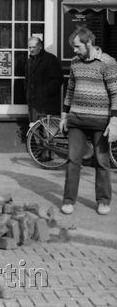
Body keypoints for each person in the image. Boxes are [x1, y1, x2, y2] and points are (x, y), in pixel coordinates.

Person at [59, 26, 115, 216]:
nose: (75, 51)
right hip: (77, 120)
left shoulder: (107, 62)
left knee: (102, 161)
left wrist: (114, 121)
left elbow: (115, 93)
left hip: (101, 122)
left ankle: (103, 201)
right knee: (73, 161)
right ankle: (68, 201)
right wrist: (64, 116)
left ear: (89, 42)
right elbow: (70, 90)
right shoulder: (75, 62)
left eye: (77, 46)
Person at [25, 36, 64, 123]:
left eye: (34, 47)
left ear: (40, 47)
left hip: (47, 104)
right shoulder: (29, 61)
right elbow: (27, 79)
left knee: (47, 127)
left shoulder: (51, 59)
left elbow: (58, 79)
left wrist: (47, 92)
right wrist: (27, 92)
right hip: (33, 103)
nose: (31, 50)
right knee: (34, 127)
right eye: (29, 47)